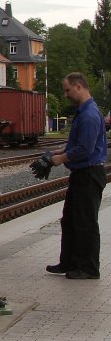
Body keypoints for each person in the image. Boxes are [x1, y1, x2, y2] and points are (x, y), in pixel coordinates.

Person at [31, 72, 107, 280]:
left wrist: (59, 158)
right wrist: (57, 152)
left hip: (89, 174)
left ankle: (89, 268)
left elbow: (85, 149)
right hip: (82, 173)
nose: (65, 95)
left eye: (67, 90)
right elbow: (77, 144)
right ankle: (70, 261)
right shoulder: (84, 112)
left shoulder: (90, 115)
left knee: (85, 221)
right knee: (71, 219)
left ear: (79, 87)